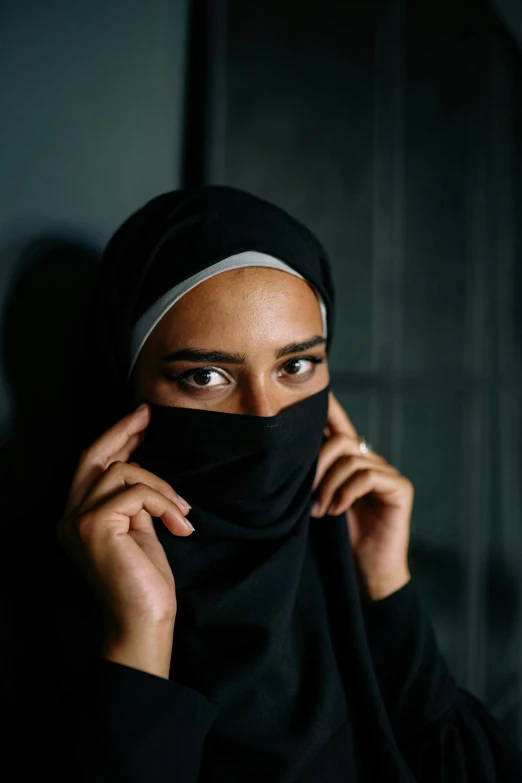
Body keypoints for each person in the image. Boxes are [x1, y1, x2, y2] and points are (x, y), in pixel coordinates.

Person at [3, 185, 522, 781]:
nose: (266, 416)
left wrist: (385, 586)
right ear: (127, 388)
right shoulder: (40, 617)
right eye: (206, 375)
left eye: (296, 365)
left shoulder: (345, 557)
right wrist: (140, 634)